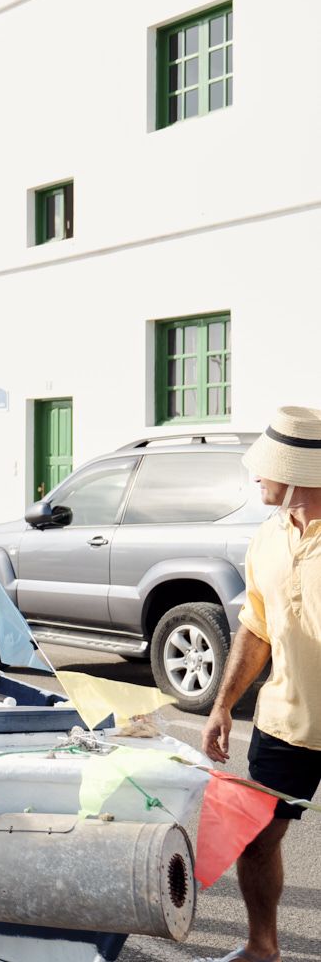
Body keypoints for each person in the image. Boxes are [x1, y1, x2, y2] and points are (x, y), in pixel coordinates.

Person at [199, 408, 321, 962]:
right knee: (257, 838)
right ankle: (261, 947)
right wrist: (223, 704)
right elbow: (257, 625)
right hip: (282, 721)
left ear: (300, 473)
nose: (257, 478)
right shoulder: (267, 537)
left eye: (268, 468)